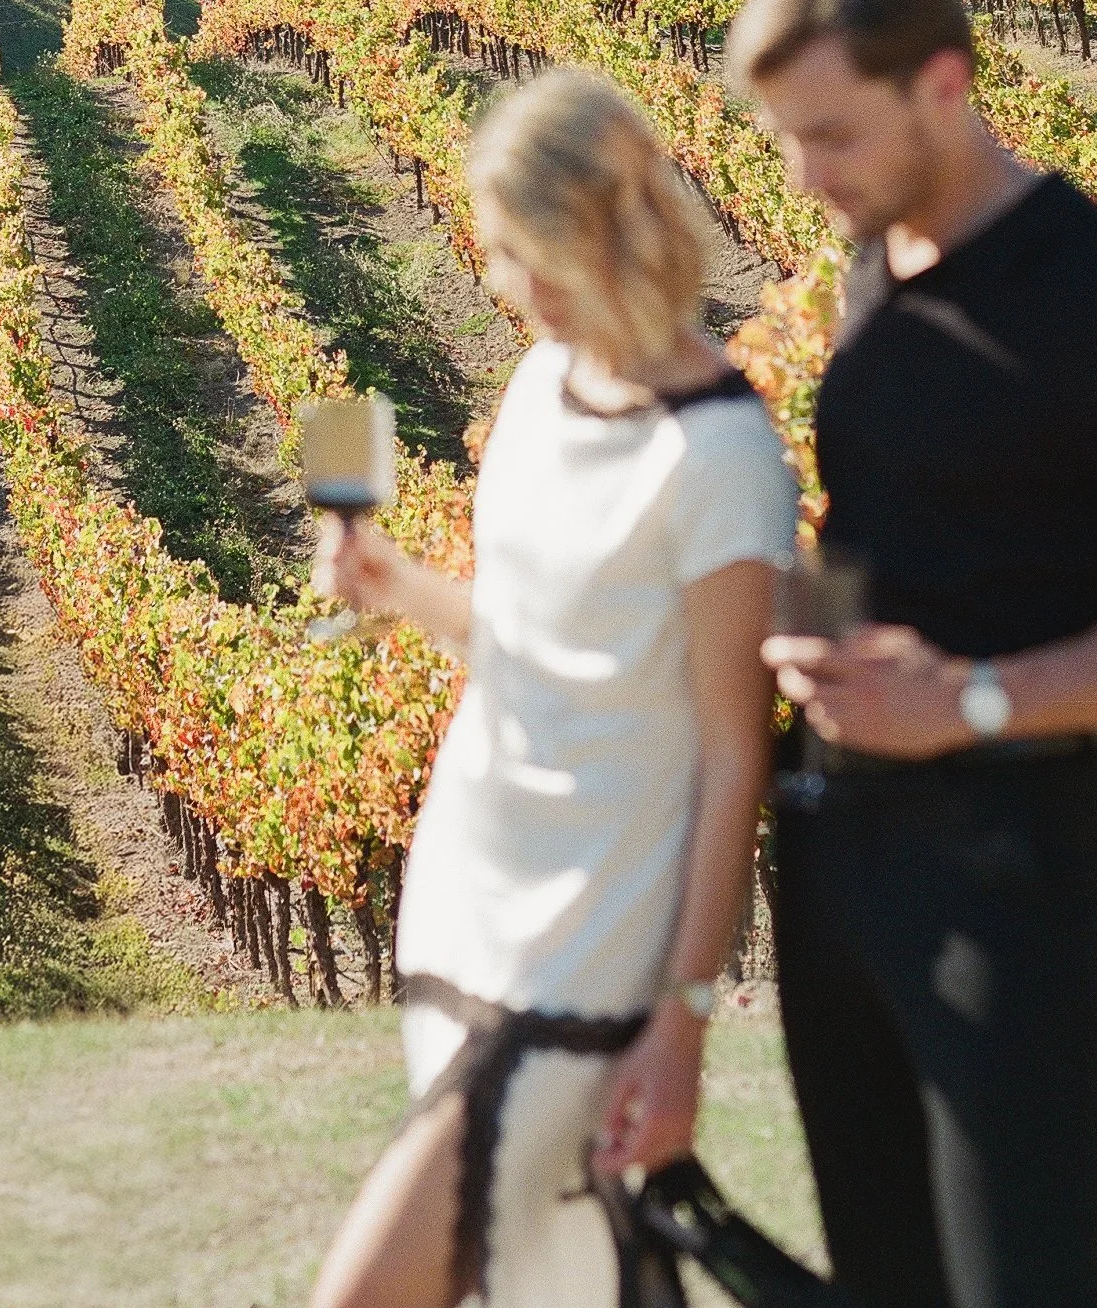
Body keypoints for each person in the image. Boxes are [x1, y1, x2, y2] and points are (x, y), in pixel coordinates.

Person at [728, 0, 1097, 1308]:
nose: (807, 178)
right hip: (836, 860)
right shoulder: (881, 266)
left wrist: (975, 698)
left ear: (945, 83)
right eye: (786, 141)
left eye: (833, 136)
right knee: (887, 1285)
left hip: (1009, 870)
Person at [309, 65, 798, 1308]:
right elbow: (525, 645)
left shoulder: (722, 455)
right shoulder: (537, 389)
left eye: (509, 249)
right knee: (553, 1284)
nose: (493, 280)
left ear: (586, 238)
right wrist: (393, 583)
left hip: (585, 942)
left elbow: (734, 756)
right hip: (467, 893)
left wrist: (680, 1020)